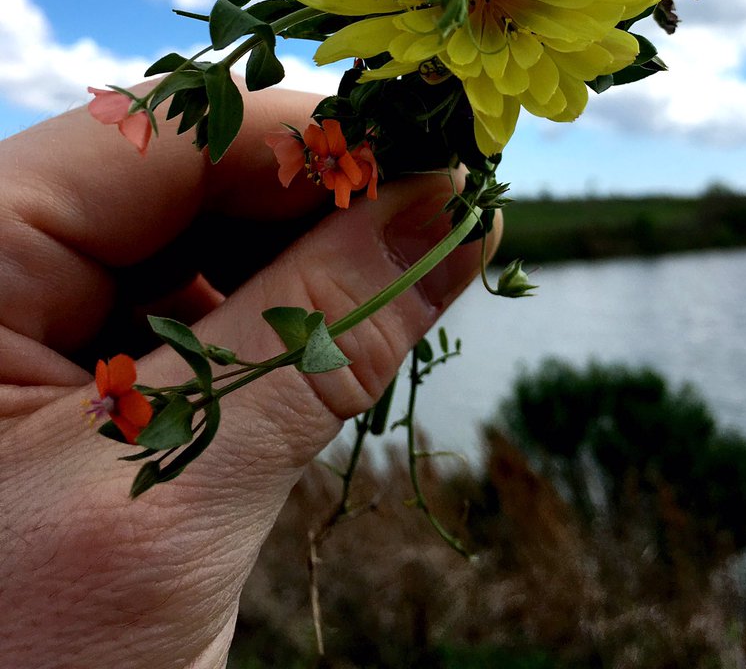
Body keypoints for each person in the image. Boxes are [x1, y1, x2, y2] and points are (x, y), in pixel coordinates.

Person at [0, 88, 498, 668]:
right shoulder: (127, 392)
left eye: (331, 163)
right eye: (325, 163)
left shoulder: (122, 383)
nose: (325, 168)